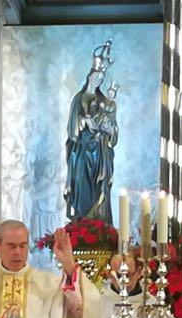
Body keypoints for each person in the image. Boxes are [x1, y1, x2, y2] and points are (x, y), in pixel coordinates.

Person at [64, 40, 118, 223]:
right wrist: (84, 122)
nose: (99, 80)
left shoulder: (105, 101)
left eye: (101, 79)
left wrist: (110, 130)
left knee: (99, 189)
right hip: (82, 151)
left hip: (101, 153)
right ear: (90, 75)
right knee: (82, 186)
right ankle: (82, 223)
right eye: (97, 76)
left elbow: (111, 124)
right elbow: (72, 128)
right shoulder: (79, 99)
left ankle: (99, 225)